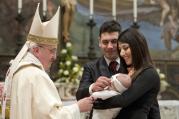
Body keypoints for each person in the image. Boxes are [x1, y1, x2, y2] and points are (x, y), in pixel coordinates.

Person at [2, 4, 94, 119]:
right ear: (36, 50)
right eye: (52, 51)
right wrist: (77, 108)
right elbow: (51, 117)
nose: (54, 57)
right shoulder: (37, 76)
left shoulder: (17, 71)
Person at [93, 28, 161, 119]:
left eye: (125, 48)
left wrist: (97, 102)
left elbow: (124, 100)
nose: (122, 53)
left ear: (137, 46)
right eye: (120, 49)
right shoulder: (126, 71)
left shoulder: (149, 73)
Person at [76, 20, 127, 118]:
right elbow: (79, 96)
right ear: (99, 42)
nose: (110, 46)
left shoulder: (129, 64)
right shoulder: (90, 67)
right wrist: (93, 87)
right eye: (105, 42)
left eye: (114, 41)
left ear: (121, 42)